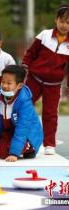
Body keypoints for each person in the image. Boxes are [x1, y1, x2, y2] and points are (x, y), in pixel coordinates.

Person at [22, 4, 69, 155]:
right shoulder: (45, 35)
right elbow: (31, 53)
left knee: (50, 114)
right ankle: (20, 137)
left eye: (68, 23)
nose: (64, 25)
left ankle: (49, 143)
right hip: (34, 79)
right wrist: (24, 66)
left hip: (53, 85)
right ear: (56, 20)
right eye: (62, 21)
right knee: (23, 106)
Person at [0, 65, 43, 162]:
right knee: (2, 153)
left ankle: (30, 147)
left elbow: (22, 128)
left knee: (14, 151)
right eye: (3, 82)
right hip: (8, 130)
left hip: (28, 132)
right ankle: (11, 144)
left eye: (9, 83)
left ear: (19, 85)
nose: (4, 86)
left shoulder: (24, 102)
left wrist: (14, 153)